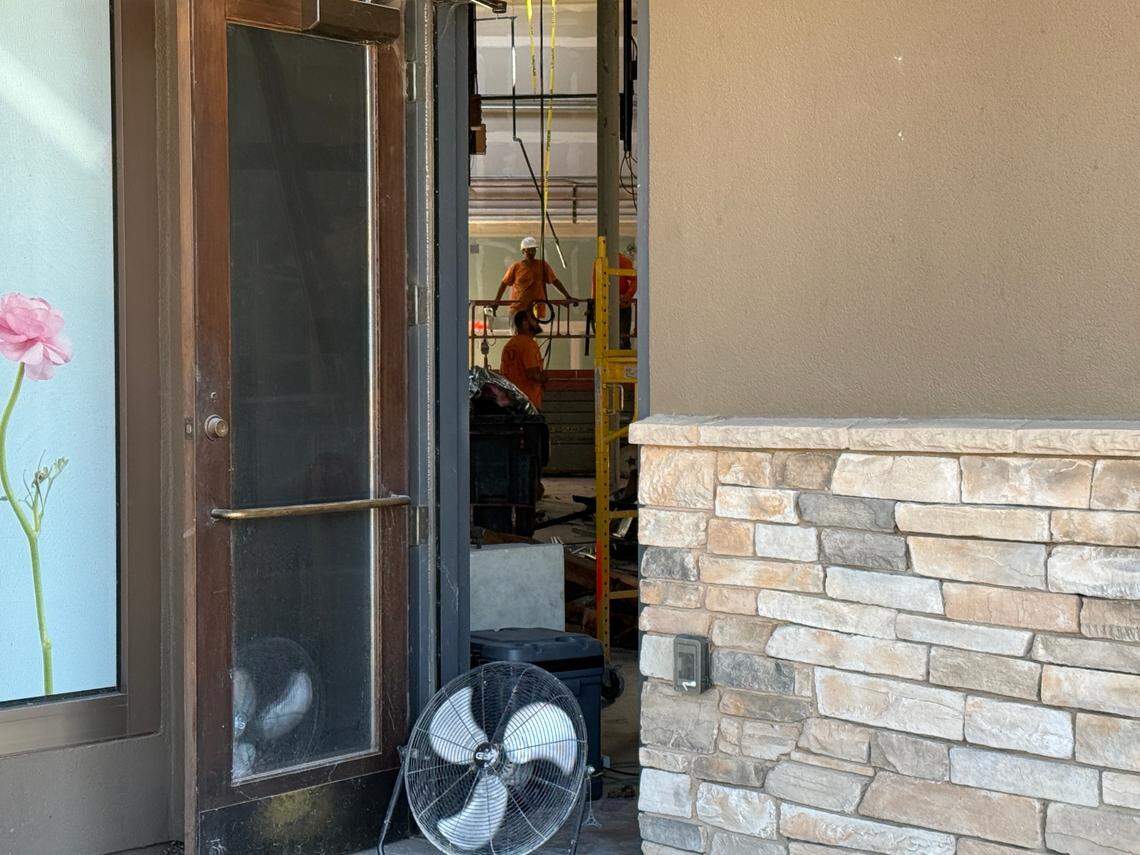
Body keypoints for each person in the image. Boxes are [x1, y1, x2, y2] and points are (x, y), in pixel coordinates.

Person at [494, 236, 579, 320]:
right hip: (518, 308)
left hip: (535, 308)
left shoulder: (542, 265)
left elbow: (554, 281)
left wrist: (567, 296)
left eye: (533, 249)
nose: (531, 252)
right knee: (518, 333)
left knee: (530, 332)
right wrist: (496, 302)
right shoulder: (516, 267)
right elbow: (503, 284)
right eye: (529, 250)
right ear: (523, 251)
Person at [590, 245, 637, 350]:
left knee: (621, 339)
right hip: (605, 305)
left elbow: (635, 280)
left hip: (620, 306)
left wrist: (627, 296)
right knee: (608, 339)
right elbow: (596, 285)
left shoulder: (620, 261)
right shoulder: (599, 263)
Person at [499, 309, 547, 410]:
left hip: (511, 402)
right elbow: (533, 374)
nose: (537, 322)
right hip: (527, 403)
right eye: (533, 319)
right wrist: (545, 379)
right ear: (525, 323)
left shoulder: (510, 344)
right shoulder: (528, 344)